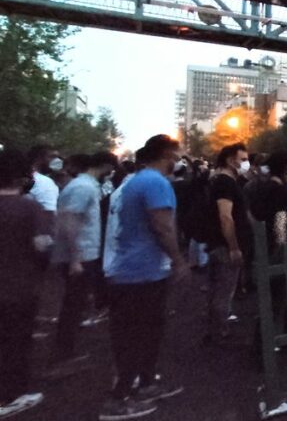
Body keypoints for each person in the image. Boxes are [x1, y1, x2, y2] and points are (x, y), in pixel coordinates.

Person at [101, 135, 187, 421]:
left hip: (135, 270)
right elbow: (163, 227)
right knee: (134, 336)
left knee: (147, 333)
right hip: (139, 272)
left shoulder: (135, 181)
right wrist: (178, 261)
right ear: (166, 154)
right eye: (177, 153)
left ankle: (146, 384)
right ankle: (118, 399)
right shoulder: (155, 182)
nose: (180, 158)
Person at [50, 151, 118, 372]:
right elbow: (70, 221)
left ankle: (65, 352)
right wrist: (76, 259)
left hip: (82, 254)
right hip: (80, 255)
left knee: (74, 304)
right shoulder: (84, 187)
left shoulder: (83, 185)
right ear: (105, 166)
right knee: (72, 305)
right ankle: (62, 356)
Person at [0, 150, 51, 418]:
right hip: (19, 287)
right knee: (16, 343)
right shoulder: (29, 208)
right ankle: (11, 396)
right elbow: (42, 247)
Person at [204, 143, 252, 345]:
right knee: (223, 291)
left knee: (218, 290)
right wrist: (233, 247)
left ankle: (215, 329)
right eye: (242, 159)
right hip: (225, 247)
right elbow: (226, 217)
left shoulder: (226, 181)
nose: (246, 163)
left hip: (220, 244)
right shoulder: (225, 183)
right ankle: (219, 333)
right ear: (230, 160)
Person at [27, 145, 61, 237]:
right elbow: (49, 216)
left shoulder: (23, 178)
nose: (57, 161)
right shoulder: (44, 182)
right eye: (52, 157)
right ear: (39, 158)